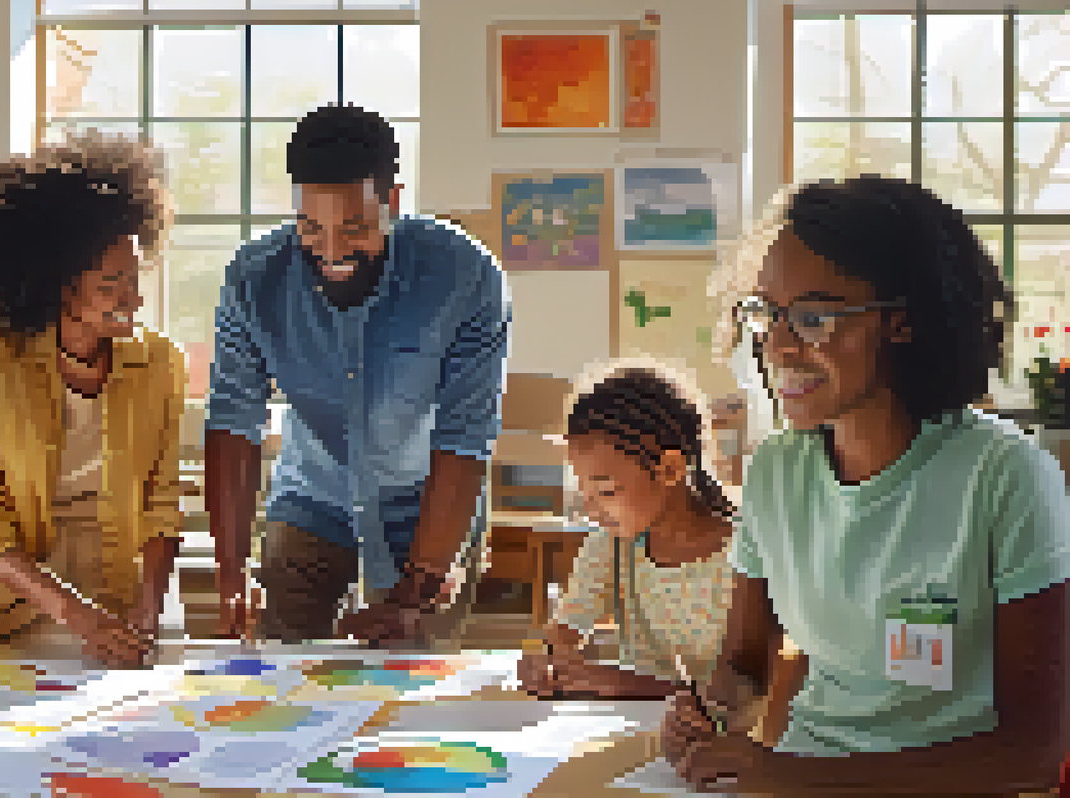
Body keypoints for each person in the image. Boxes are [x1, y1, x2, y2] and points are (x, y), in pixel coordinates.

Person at [663, 175, 1069, 792]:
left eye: (813, 318)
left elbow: (1033, 752)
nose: (776, 345)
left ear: (901, 322)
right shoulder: (775, 471)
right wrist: (709, 710)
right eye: (765, 314)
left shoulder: (1006, 476)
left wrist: (796, 778)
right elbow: (745, 665)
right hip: (798, 770)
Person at [205, 103, 510, 644]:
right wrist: (232, 573)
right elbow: (234, 419)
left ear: (392, 202)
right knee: (283, 674)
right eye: (310, 227)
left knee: (412, 679)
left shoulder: (464, 275)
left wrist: (419, 587)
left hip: (427, 502)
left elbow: (465, 434)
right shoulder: (253, 280)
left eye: (354, 228)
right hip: (311, 497)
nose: (332, 250)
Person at [0, 130, 184, 669]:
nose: (134, 297)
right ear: (58, 286)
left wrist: (149, 607)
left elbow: (164, 502)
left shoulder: (161, 363)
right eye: (111, 284)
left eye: (135, 276)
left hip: (129, 599)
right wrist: (77, 616)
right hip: (18, 604)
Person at [518, 363, 737, 699]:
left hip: (724, 740)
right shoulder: (613, 543)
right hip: (636, 730)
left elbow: (752, 692)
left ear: (669, 469)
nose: (592, 511)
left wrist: (634, 684)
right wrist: (542, 655)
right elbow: (564, 631)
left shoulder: (745, 552)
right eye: (585, 495)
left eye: (606, 492)